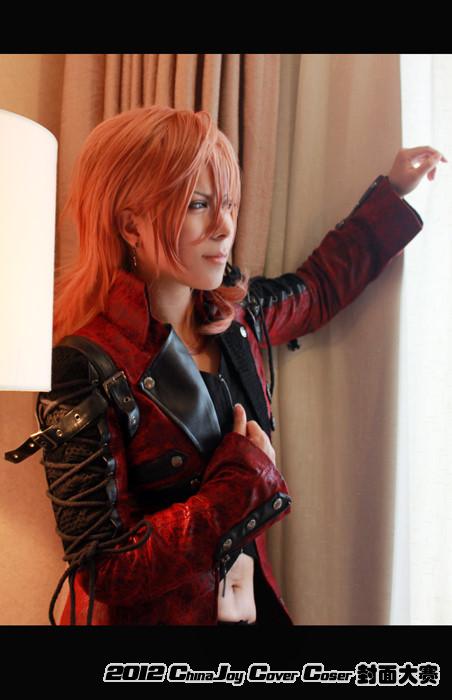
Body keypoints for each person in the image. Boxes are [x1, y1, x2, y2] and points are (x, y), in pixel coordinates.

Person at [4, 104, 446, 626]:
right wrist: (235, 486)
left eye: (229, 204)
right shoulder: (84, 365)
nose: (225, 226)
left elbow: (316, 289)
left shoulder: (236, 322)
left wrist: (393, 193)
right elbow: (103, 571)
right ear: (130, 225)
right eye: (199, 204)